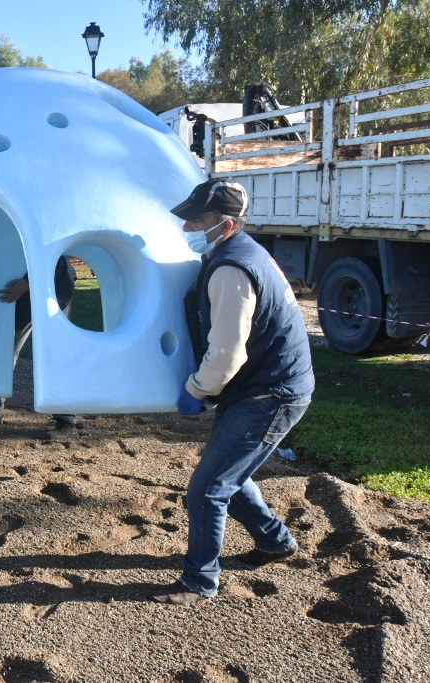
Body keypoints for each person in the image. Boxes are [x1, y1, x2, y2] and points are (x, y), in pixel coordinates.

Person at [151, 179, 315, 605]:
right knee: (228, 474)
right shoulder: (241, 252)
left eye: (197, 219)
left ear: (224, 224)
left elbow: (226, 354)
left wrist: (197, 389)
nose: (187, 226)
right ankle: (274, 540)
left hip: (270, 393)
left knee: (207, 488)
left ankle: (199, 581)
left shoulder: (231, 270)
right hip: (266, 386)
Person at [0, 256, 80, 441]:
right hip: (13, 298)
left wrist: (28, 282)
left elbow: (50, 253)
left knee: (56, 351)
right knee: (1, 350)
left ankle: (67, 420)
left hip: (52, 287)